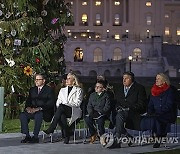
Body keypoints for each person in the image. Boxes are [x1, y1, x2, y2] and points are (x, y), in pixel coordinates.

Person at [43, 72, 83, 144]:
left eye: (69, 78)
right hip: (63, 110)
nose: (66, 80)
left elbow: (77, 103)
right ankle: (66, 135)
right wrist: (63, 106)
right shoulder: (62, 90)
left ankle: (52, 127)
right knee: (61, 114)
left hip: (74, 110)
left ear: (74, 81)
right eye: (66, 79)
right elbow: (58, 102)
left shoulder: (78, 90)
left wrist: (65, 105)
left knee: (61, 108)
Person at [20, 74, 55, 143]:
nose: (36, 81)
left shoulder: (49, 90)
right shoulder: (32, 89)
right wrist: (28, 108)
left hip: (45, 111)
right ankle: (27, 136)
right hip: (33, 110)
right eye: (35, 79)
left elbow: (50, 103)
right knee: (23, 115)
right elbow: (28, 101)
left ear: (43, 81)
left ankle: (35, 136)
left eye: (38, 80)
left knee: (38, 114)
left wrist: (39, 108)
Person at [115, 72, 147, 146]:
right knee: (114, 116)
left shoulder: (139, 88)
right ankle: (128, 137)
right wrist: (117, 107)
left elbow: (141, 104)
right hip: (120, 111)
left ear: (131, 79)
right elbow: (116, 102)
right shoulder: (120, 89)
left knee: (119, 116)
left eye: (126, 78)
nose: (124, 80)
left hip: (133, 112)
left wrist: (129, 108)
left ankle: (117, 140)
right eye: (123, 78)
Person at [147, 73, 176, 148]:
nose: (156, 80)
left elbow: (169, 105)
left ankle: (158, 137)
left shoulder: (170, 90)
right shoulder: (153, 90)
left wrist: (159, 112)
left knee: (158, 118)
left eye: (159, 78)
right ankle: (157, 136)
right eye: (156, 78)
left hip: (167, 113)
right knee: (153, 118)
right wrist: (150, 111)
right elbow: (150, 104)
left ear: (164, 81)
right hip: (156, 114)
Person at [84, 80, 111, 144]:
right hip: (93, 113)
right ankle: (93, 133)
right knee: (87, 119)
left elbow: (107, 107)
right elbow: (89, 105)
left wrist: (100, 112)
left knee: (100, 122)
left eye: (99, 87)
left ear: (103, 89)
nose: (96, 88)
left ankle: (102, 136)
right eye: (96, 86)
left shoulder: (106, 95)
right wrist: (91, 112)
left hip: (101, 113)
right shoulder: (92, 95)